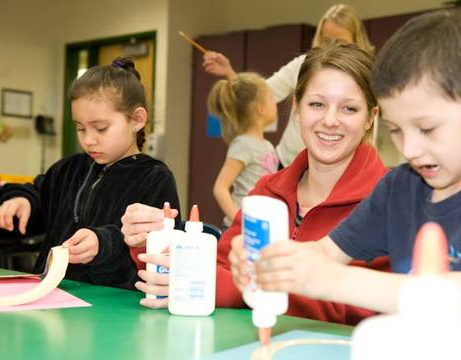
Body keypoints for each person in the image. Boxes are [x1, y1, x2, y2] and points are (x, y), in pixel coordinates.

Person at [230, 11, 461, 359]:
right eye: (397, 130)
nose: (410, 150)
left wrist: (330, 281)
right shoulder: (400, 189)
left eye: (427, 129)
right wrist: (269, 262)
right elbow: (324, 252)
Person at [124, 44, 390, 325]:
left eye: (349, 108)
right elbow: (218, 269)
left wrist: (245, 285)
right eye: (317, 104)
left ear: (371, 118)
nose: (330, 120)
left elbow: (369, 310)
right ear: (296, 107)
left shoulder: (389, 199)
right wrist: (154, 242)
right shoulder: (269, 190)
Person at [0, 57, 180, 290]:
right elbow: (36, 197)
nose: (88, 140)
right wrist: (21, 201)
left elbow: (158, 257)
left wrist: (103, 246)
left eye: (101, 128)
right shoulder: (68, 169)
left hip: (114, 309)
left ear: (137, 120)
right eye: (80, 128)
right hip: (49, 295)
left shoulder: (154, 178)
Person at [202, 4, 374, 167]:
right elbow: (260, 93)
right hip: (289, 163)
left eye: (341, 42)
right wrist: (230, 73)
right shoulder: (303, 65)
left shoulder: (365, 76)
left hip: (340, 167)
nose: (332, 47)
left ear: (355, 41)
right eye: (316, 104)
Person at [207, 73, 279, 227]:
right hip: (242, 228)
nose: (275, 103)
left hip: (261, 225)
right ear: (261, 109)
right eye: (271, 99)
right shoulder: (243, 144)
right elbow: (220, 187)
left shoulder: (267, 146)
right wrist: (238, 220)